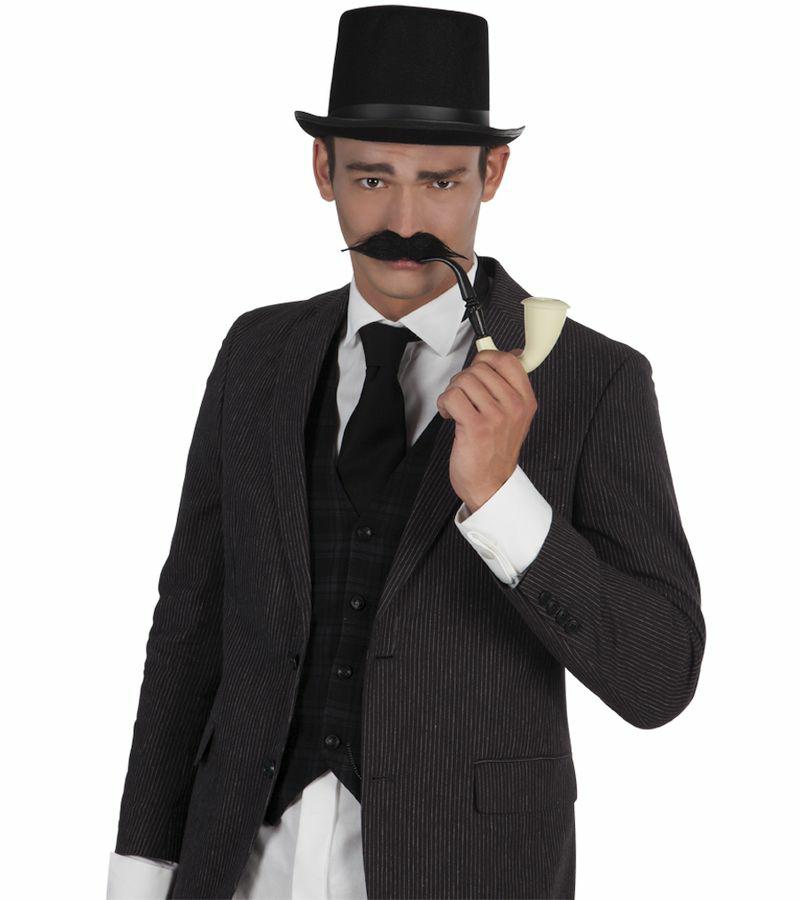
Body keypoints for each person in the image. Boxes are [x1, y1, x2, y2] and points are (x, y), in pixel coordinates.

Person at [107, 6, 705, 899]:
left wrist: (503, 500)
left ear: (492, 173)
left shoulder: (595, 380)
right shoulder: (257, 354)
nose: (404, 220)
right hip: (237, 868)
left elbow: (660, 676)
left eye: (440, 182)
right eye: (372, 178)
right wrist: (140, 870)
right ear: (323, 170)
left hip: (464, 870)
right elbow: (188, 630)